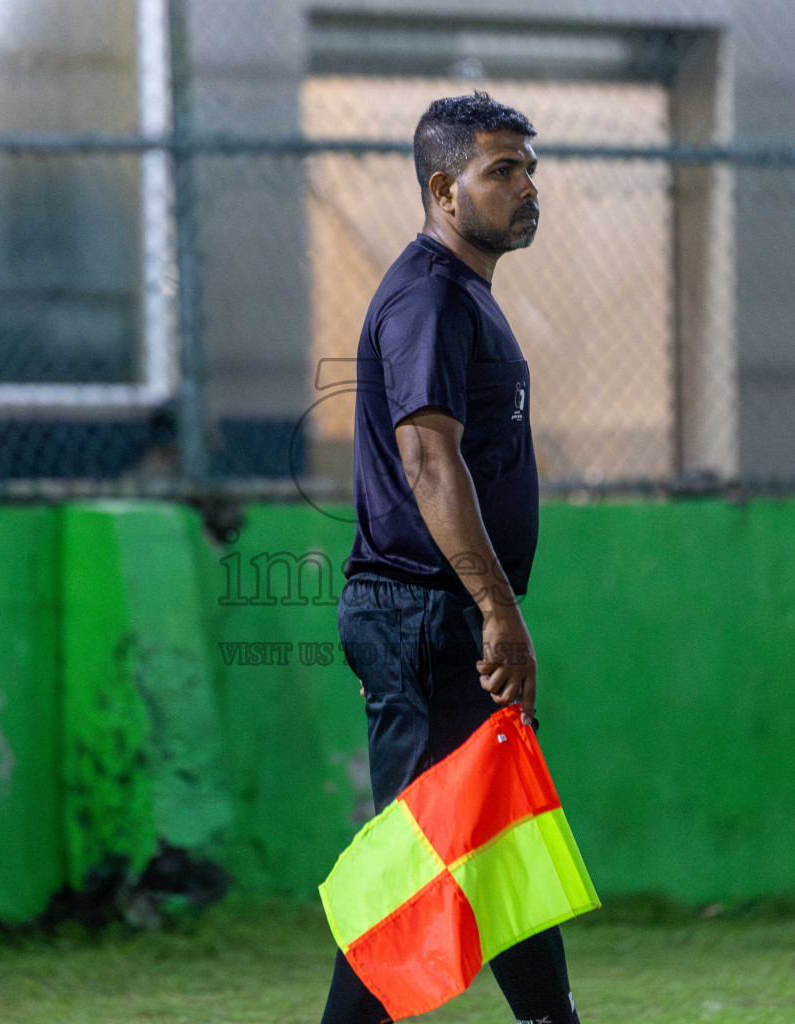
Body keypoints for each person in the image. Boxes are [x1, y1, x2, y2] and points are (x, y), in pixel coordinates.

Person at [321, 91, 579, 1024]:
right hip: (429, 616)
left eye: (529, 169)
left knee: (500, 842)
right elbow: (430, 463)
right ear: (444, 188)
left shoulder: (464, 294)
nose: (526, 188)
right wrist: (497, 611)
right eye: (502, 171)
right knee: (414, 873)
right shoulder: (429, 295)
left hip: (437, 616)